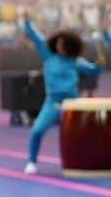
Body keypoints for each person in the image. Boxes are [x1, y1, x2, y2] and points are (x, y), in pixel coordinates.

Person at [20, 11, 100, 174]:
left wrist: (99, 64)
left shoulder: (75, 62)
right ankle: (32, 161)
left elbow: (93, 70)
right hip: (52, 103)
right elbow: (35, 37)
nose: (59, 46)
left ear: (69, 47)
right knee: (37, 130)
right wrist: (27, 22)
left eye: (62, 44)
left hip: (72, 104)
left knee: (79, 135)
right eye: (58, 43)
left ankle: (83, 161)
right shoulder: (48, 56)